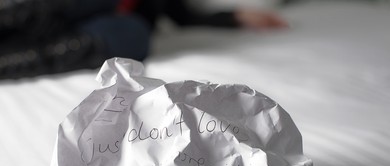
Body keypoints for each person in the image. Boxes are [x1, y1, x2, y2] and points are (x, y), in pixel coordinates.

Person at [0, 0, 288, 80]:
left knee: (134, 34)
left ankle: (8, 64)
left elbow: (183, 15)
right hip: (47, 15)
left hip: (104, 28)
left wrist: (235, 16)